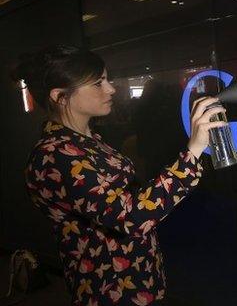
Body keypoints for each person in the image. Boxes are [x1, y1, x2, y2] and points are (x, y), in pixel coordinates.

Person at [12, 45, 226, 305]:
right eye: (98, 83)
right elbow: (130, 217)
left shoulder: (87, 140)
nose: (111, 88)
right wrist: (192, 152)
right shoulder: (53, 156)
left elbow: (127, 196)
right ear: (60, 96)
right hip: (108, 288)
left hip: (138, 276)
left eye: (107, 80)